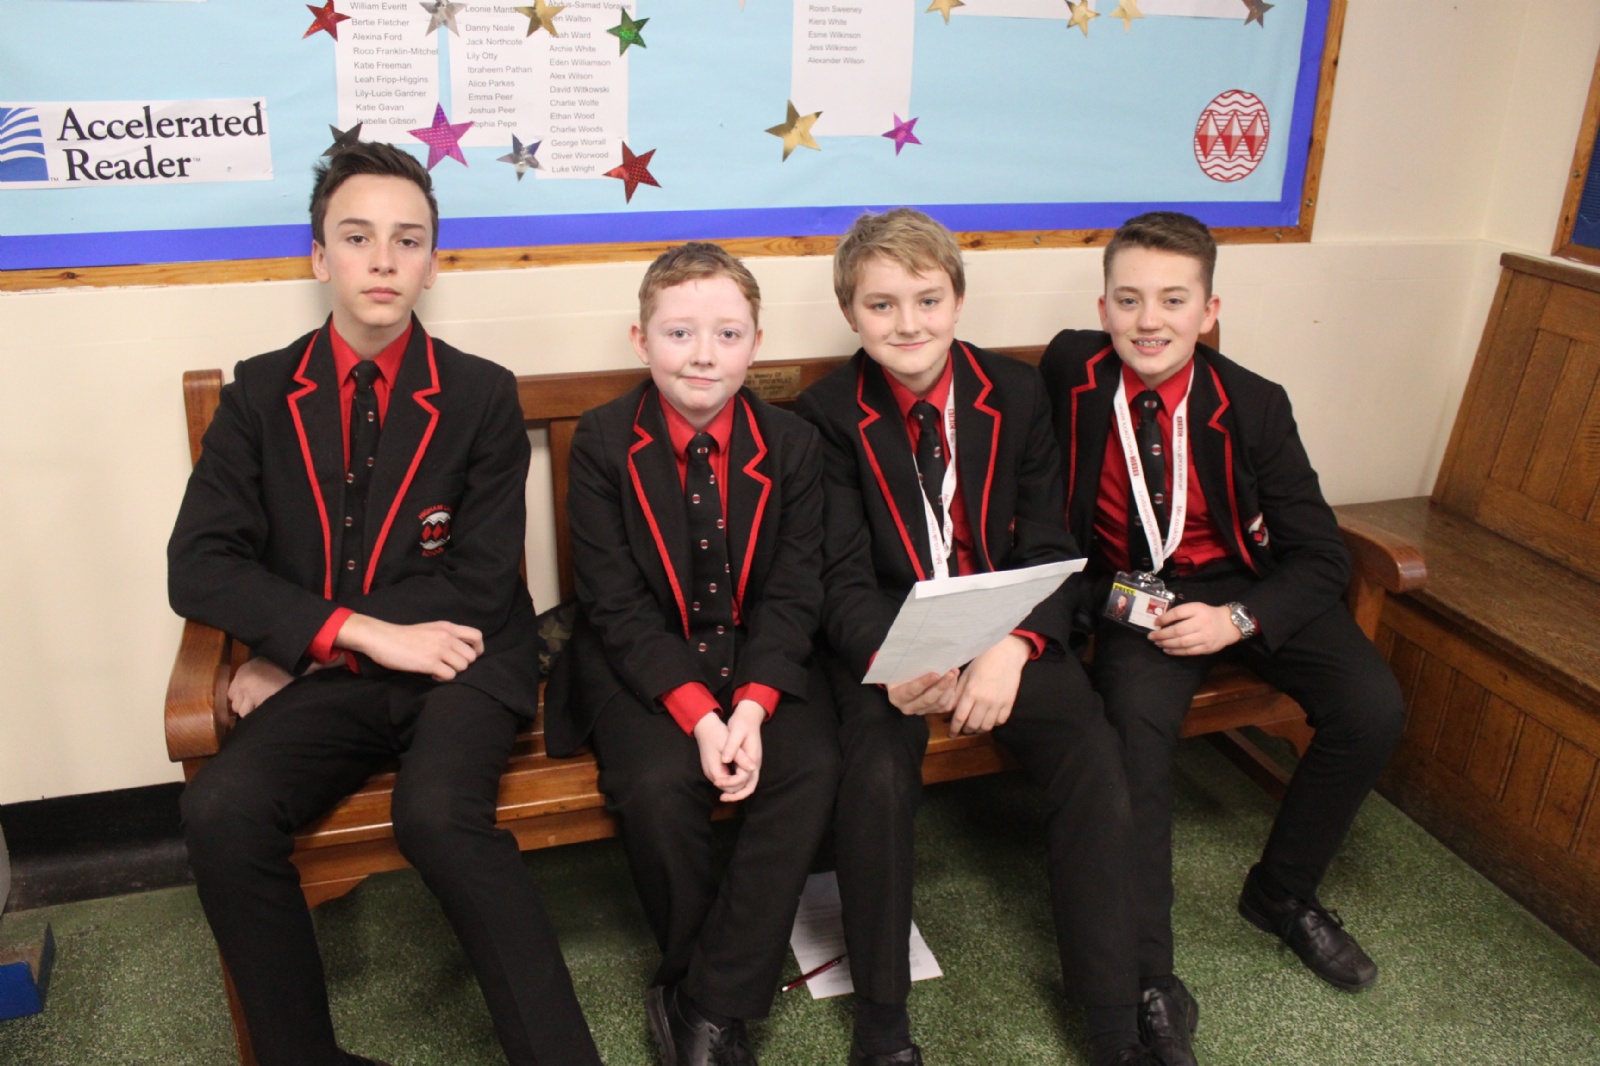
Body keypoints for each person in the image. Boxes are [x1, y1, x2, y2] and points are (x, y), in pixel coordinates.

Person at [168, 141, 601, 1066]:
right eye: (357, 236)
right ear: (318, 256)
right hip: (338, 669)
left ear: (432, 263)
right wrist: (341, 637)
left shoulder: (480, 393)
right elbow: (199, 565)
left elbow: (482, 577)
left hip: (463, 660)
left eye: (407, 240)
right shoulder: (259, 394)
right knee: (222, 810)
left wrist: (308, 640)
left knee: (437, 817)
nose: (382, 259)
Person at [1039, 211, 1405, 1066]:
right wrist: (1110, 606)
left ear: (1209, 311)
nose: (1149, 320)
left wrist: (1238, 619)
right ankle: (1149, 979)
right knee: (1134, 741)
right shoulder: (1068, 371)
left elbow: (1319, 553)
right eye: (1129, 299)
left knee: (1372, 707)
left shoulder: (1255, 402)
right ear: (1102, 306)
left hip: (1248, 587)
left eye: (1174, 300)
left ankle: (1282, 893)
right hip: (1138, 595)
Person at [794, 209, 1154, 1066]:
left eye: (927, 300)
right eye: (881, 305)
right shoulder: (825, 415)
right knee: (876, 774)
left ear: (957, 300)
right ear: (850, 313)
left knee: (1092, 753)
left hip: (1004, 625)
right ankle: (883, 1023)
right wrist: (898, 666)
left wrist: (1013, 646)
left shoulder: (1016, 393)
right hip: (889, 641)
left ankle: (1112, 1020)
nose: (907, 323)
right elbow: (839, 576)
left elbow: (1048, 545)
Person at [547, 242, 840, 1066]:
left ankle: (703, 1001)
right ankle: (702, 981)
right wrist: (702, 720)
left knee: (811, 765)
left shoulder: (792, 444)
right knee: (656, 782)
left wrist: (752, 707)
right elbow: (614, 603)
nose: (703, 354)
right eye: (679, 333)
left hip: (756, 655)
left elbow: (794, 593)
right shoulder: (604, 442)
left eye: (727, 334)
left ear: (755, 344)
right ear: (640, 341)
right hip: (645, 656)